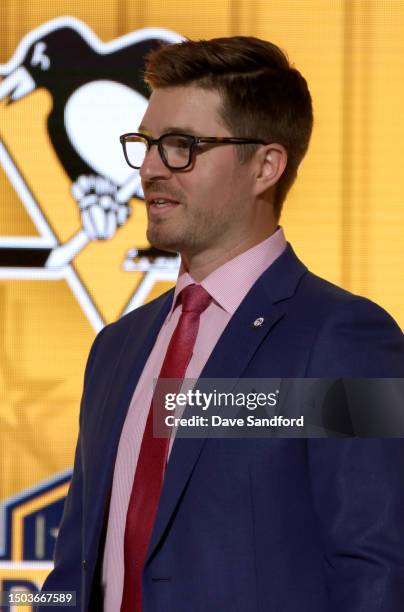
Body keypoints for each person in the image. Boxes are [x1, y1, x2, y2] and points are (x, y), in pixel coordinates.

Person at [39, 36, 404, 612]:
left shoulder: (346, 339)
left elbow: (377, 567)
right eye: (147, 144)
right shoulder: (116, 347)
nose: (152, 168)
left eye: (182, 146)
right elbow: (73, 565)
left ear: (265, 165)